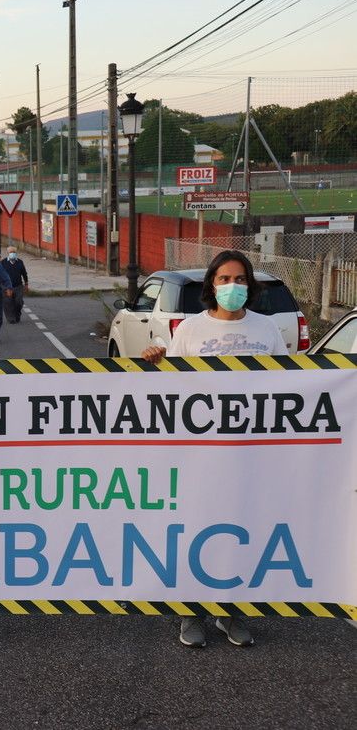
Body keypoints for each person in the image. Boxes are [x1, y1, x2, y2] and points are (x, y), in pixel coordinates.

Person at [140, 250, 284, 650]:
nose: (232, 286)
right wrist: (157, 361)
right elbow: (174, 389)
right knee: (196, 528)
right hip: (200, 453)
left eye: (239, 279)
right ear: (211, 284)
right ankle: (191, 612)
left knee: (241, 529)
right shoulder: (189, 329)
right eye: (224, 279)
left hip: (250, 452)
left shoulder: (269, 329)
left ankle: (229, 611)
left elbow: (290, 387)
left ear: (250, 284)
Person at [2, 247, 29, 324]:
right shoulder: (3, 262)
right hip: (7, 286)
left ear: (16, 253)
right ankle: (11, 318)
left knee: (19, 302)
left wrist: (26, 283)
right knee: (8, 303)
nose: (12, 253)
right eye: (10, 252)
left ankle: (17, 314)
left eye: (13, 252)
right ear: (8, 253)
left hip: (18, 286)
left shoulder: (20, 262)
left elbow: (24, 273)